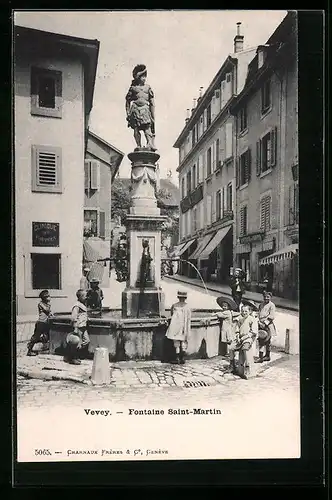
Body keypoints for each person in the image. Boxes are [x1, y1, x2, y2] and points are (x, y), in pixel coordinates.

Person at [125, 64, 156, 150]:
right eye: (142, 76)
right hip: (135, 110)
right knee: (136, 128)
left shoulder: (148, 88)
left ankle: (150, 143)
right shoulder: (133, 88)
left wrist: (153, 116)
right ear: (138, 78)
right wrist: (127, 113)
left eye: (145, 77)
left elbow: (152, 102)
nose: (144, 78)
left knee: (147, 127)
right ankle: (138, 145)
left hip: (145, 109)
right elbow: (127, 101)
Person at [228, 305, 258, 376]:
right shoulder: (240, 319)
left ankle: (247, 366)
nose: (244, 313)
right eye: (243, 311)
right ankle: (232, 365)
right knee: (231, 348)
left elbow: (253, 332)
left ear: (250, 311)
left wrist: (244, 338)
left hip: (248, 338)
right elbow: (237, 329)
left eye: (246, 311)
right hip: (241, 337)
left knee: (245, 348)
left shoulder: (252, 319)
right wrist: (238, 336)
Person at [64, 289, 90, 365]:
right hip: (79, 326)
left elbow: (83, 315)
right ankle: (73, 358)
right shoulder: (76, 305)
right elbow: (74, 317)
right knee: (77, 342)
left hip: (83, 326)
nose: (86, 297)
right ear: (80, 297)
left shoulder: (82, 304)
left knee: (86, 341)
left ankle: (73, 355)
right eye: (85, 296)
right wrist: (75, 327)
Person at [165, 290, 191, 364]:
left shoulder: (175, 305)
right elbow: (189, 318)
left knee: (176, 342)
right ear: (185, 298)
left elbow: (172, 314)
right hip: (184, 326)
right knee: (183, 341)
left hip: (175, 326)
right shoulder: (187, 306)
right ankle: (182, 358)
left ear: (178, 297)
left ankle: (177, 358)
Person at [27, 290, 53, 356]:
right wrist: (48, 305)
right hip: (41, 323)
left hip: (46, 323)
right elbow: (47, 310)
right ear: (44, 298)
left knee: (47, 337)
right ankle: (29, 350)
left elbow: (49, 313)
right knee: (36, 336)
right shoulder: (41, 304)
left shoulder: (47, 304)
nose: (50, 298)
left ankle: (41, 345)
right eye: (48, 296)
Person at [255, 291, 277, 363]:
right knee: (261, 340)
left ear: (270, 297)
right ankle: (261, 357)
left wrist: (265, 323)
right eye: (265, 297)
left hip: (268, 325)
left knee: (267, 341)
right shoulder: (261, 304)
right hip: (261, 324)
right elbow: (258, 313)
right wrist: (258, 321)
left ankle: (267, 356)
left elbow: (272, 316)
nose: (266, 298)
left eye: (268, 297)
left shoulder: (272, 305)